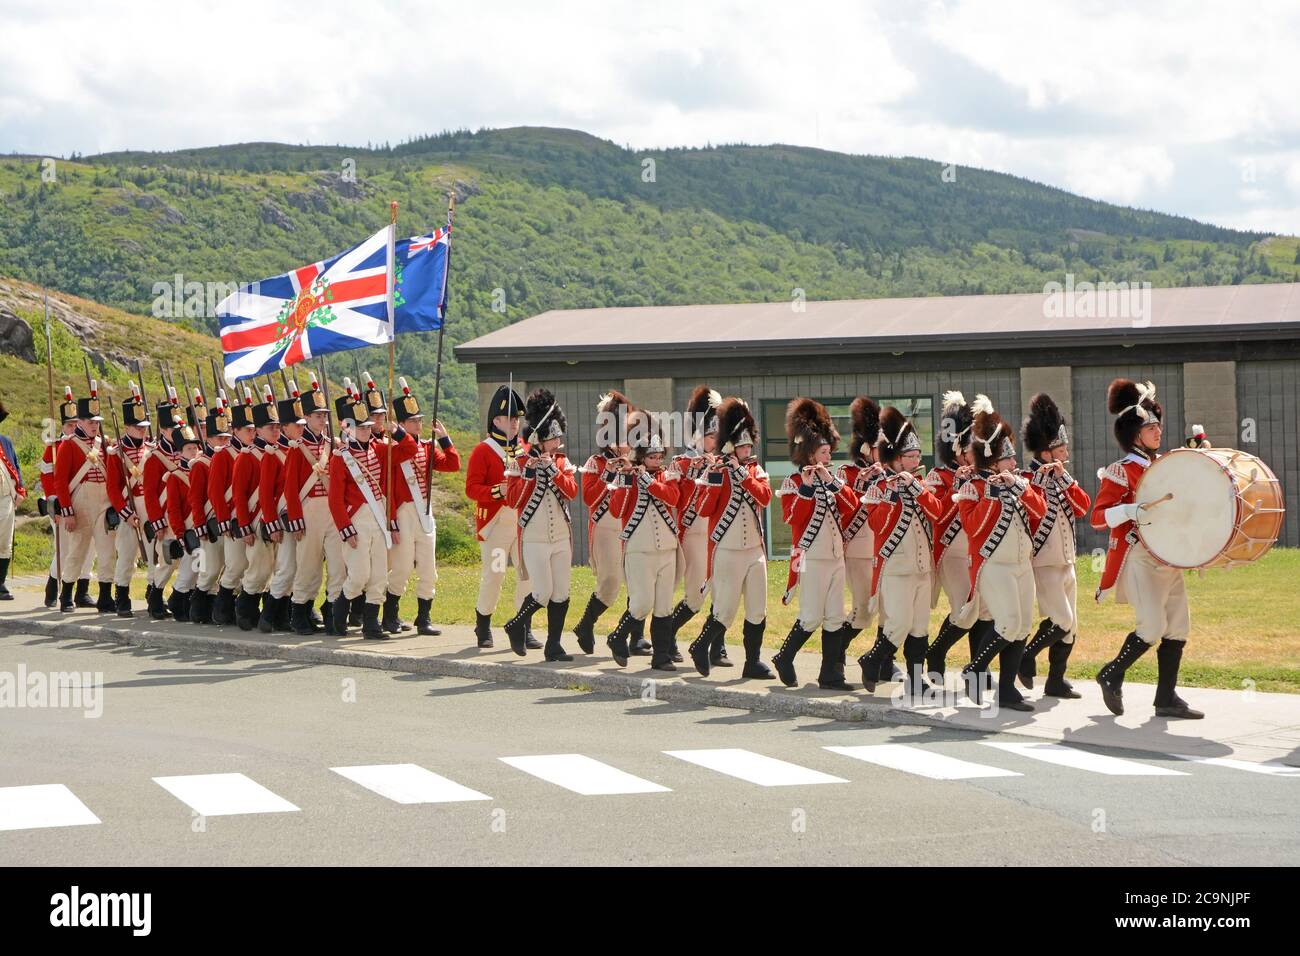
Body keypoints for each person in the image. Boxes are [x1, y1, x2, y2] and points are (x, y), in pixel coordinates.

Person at [1092, 380, 1203, 719]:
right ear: (1134, 434)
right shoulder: (1121, 471)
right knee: (1151, 627)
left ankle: (1166, 699)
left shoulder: (1165, 467)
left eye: (1158, 425)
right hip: (1140, 558)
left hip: (1170, 558)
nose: (1158, 431)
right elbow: (1097, 518)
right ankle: (1111, 672)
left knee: (1178, 628)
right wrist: (1129, 511)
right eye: (1150, 426)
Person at [952, 396, 1046, 712]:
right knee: (1006, 623)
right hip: (993, 566)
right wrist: (992, 495)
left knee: (1022, 626)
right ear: (993, 460)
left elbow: (1040, 511)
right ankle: (975, 668)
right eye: (1008, 459)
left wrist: (1020, 488)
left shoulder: (1020, 484)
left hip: (1022, 565)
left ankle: (1006, 690)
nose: (1014, 463)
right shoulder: (972, 488)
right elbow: (974, 528)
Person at [857, 406, 944, 698]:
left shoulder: (919, 483)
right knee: (899, 624)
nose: (917, 461)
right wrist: (893, 495)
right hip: (896, 566)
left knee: (920, 627)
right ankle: (871, 661)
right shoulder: (880, 486)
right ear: (896, 458)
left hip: (922, 568)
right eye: (911, 456)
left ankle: (916, 681)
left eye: (918, 456)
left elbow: (937, 512)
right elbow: (876, 524)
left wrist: (918, 490)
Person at [686, 397, 775, 680]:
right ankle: (700, 646)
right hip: (727, 548)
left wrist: (742, 475)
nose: (747, 450)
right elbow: (704, 509)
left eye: (749, 445)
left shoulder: (755, 470)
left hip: (754, 550)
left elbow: (764, 496)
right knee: (725, 609)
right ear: (730, 447)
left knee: (757, 609)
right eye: (742, 446)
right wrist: (715, 477)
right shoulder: (718, 472)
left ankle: (753, 661)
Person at [774, 398, 859, 690]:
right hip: (809, 557)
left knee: (835, 617)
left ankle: (831, 675)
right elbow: (793, 518)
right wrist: (809, 487)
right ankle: (784, 656)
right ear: (810, 454)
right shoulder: (793, 483)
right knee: (811, 616)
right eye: (823, 452)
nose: (828, 456)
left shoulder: (833, 479)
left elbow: (852, 507)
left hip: (835, 558)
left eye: (828, 451)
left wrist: (833, 483)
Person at [1016, 393, 1091, 698]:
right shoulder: (1025, 478)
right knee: (1061, 620)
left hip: (1067, 558)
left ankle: (1056, 681)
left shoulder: (1062, 476)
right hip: (1043, 561)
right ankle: (1025, 656)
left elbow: (1083, 507)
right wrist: (1044, 481)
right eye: (1061, 449)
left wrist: (1066, 479)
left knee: (1071, 627)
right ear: (1046, 452)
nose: (1066, 452)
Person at [328, 380, 416, 638]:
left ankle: (371, 624)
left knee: (378, 575)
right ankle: (339, 611)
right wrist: (345, 529)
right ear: (350, 429)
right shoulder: (340, 457)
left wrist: (396, 430)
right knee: (358, 576)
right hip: (356, 519)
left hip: (378, 518)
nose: (367, 431)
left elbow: (409, 448)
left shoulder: (379, 448)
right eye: (362, 427)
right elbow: (335, 499)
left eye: (368, 427)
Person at [503, 388, 578, 660]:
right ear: (540, 438)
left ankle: (554, 645)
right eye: (553, 438)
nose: (558, 442)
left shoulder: (561, 462)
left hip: (560, 535)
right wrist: (529, 474)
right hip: (533, 537)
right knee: (543, 591)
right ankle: (516, 626)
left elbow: (572, 492)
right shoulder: (520, 462)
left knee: (562, 592)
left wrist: (553, 470)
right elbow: (513, 501)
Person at [386, 377, 460, 636]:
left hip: (424, 512)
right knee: (403, 566)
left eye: (420, 420)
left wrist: (445, 439)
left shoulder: (427, 447)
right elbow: (404, 453)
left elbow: (452, 465)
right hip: (404, 511)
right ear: (402, 424)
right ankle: (390, 614)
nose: (419, 424)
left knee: (428, 568)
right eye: (414, 421)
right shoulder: (394, 448)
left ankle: (423, 617)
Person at [606, 410, 680, 669]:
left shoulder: (664, 476)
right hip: (639, 549)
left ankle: (661, 656)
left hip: (667, 549)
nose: (657, 460)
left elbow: (673, 498)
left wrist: (647, 479)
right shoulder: (628, 477)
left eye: (659, 456)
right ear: (641, 457)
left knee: (664, 606)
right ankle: (617, 637)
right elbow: (617, 510)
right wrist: (626, 479)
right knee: (642, 602)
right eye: (651, 456)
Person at [465, 385, 535, 650]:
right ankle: (483, 625)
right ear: (496, 420)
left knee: (527, 577)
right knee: (494, 575)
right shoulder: (483, 451)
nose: (515, 423)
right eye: (510, 419)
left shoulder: (524, 450)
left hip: (520, 524)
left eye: (517, 419)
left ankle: (523, 625)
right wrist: (498, 490)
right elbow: (471, 489)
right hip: (495, 525)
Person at [923, 391, 983, 687]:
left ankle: (977, 671)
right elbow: (937, 516)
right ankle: (936, 653)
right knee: (964, 607)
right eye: (967, 449)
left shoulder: (984, 476)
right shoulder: (937, 477)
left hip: (980, 552)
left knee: (984, 609)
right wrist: (958, 485)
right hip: (950, 552)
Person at [573, 390, 634, 653]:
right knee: (610, 582)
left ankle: (636, 636)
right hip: (606, 526)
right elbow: (589, 498)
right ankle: (586, 624)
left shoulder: (636, 463)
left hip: (632, 525)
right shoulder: (596, 463)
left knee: (637, 580)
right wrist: (608, 475)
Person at [282, 375, 341, 636]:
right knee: (309, 566)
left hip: (332, 508)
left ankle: (333, 611)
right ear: (306, 417)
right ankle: (300, 612)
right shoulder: (297, 448)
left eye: (324, 415)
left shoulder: (332, 444)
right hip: (308, 509)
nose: (323, 419)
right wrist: (295, 518)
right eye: (318, 415)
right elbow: (290, 488)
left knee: (338, 563)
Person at [668, 386, 722, 665]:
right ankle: (667, 636)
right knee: (695, 595)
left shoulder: (723, 463)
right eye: (712, 437)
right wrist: (703, 470)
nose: (717, 442)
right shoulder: (681, 462)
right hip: (692, 533)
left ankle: (717, 647)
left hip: (717, 534)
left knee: (722, 591)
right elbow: (679, 499)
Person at [50, 382, 115, 613]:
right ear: (79, 422)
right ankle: (66, 594)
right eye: (91, 422)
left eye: (97, 422)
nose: (95, 426)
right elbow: (60, 481)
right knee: (77, 550)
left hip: (103, 499)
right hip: (81, 500)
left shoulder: (102, 444)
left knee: (107, 551)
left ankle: (106, 596)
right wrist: (66, 511)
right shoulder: (68, 445)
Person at [41, 387, 100, 610]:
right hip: (61, 505)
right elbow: (48, 477)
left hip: (86, 503)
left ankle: (82, 590)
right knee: (66, 549)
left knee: (90, 548)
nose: (73, 428)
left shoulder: (90, 444)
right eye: (69, 425)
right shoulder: (55, 447)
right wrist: (56, 505)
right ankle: (53, 583)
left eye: (76, 424)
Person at [837, 396, 882, 672]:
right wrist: (864, 482)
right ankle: (836, 651)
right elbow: (842, 507)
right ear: (866, 448)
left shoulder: (888, 473)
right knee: (863, 610)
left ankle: (884, 661)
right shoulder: (847, 472)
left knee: (886, 610)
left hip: (883, 550)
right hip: (858, 550)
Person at [232, 386, 281, 631]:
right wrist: (244, 526)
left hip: (277, 519)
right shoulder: (247, 456)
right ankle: (245, 608)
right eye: (270, 426)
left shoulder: (281, 453)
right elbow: (240, 494)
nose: (275, 430)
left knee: (276, 567)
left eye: (277, 426)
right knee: (258, 569)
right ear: (258, 430)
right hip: (255, 520)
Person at [256, 386, 303, 634]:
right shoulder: (272, 454)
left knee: (299, 569)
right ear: (286, 427)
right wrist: (272, 524)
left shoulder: (301, 450)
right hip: (283, 518)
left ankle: (284, 617)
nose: (302, 428)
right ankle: (268, 616)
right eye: (297, 424)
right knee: (285, 568)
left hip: (301, 517)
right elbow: (265, 494)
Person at [104, 383, 153, 619]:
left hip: (150, 506)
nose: (142, 431)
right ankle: (121, 596)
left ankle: (153, 593)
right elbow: (113, 488)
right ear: (126, 427)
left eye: (144, 426)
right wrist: (125, 513)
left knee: (155, 553)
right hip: (129, 506)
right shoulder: (117, 452)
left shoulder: (150, 450)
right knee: (127, 555)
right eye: (137, 427)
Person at [210, 391, 253, 626]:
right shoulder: (223, 455)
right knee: (235, 565)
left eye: (253, 429)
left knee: (252, 566)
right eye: (247, 429)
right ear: (235, 430)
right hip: (233, 518)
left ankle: (242, 610)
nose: (252, 433)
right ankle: (221, 606)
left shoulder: (255, 453)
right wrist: (224, 521)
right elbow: (216, 492)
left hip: (251, 514)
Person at [188, 398, 232, 625]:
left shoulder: (232, 458)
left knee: (230, 565)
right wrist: (199, 525)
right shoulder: (200, 464)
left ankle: (220, 607)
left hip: (228, 520)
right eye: (219, 438)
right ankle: (198, 606)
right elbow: (196, 499)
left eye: (227, 437)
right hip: (209, 521)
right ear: (208, 438)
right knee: (209, 568)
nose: (224, 442)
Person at [141, 392, 183, 619]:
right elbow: (149, 493)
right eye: (173, 429)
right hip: (165, 516)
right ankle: (155, 597)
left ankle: (181, 598)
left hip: (186, 514)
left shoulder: (187, 450)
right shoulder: (155, 457)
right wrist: (157, 520)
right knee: (167, 561)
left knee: (191, 560)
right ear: (165, 431)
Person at [163, 420, 204, 619]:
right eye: (189, 449)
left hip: (201, 525)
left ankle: (188, 601)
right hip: (188, 529)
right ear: (179, 454)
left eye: (195, 448)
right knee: (188, 570)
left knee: (199, 568)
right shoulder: (174, 477)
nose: (194, 452)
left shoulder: (202, 471)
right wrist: (181, 534)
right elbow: (173, 509)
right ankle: (178, 601)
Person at [0, 400, 26, 600]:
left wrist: (21, 490)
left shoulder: (5, 442)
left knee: (5, 543)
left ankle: (1, 583)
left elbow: (15, 467)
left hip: (6, 499)